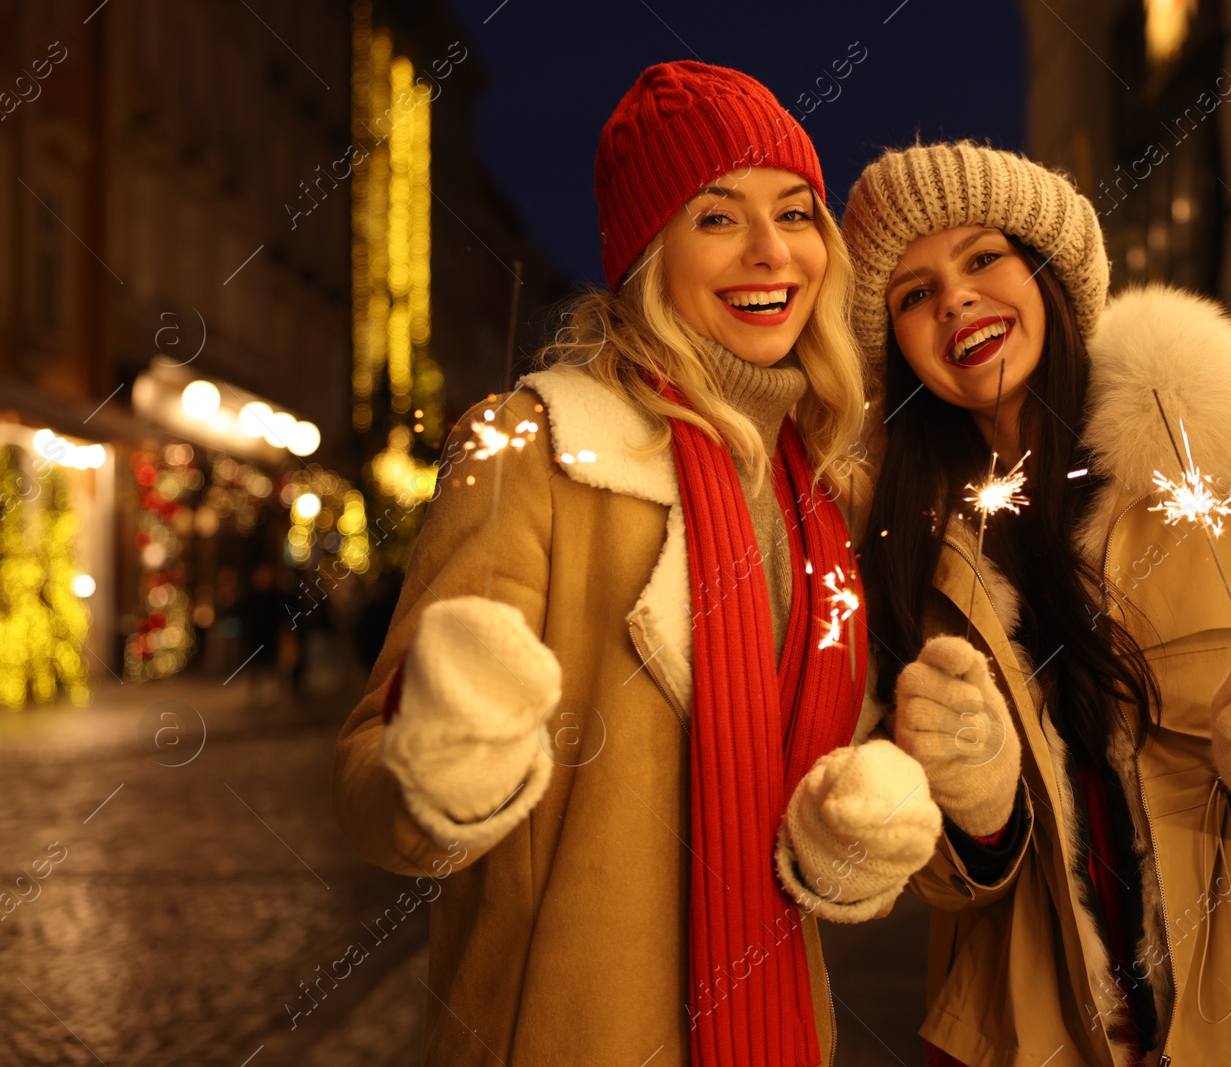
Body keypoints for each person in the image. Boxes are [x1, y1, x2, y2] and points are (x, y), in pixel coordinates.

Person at [333, 62, 940, 1067]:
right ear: (648, 252)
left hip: (776, 1028)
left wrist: (858, 826)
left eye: (794, 213)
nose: (768, 251)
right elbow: (372, 787)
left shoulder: (830, 495)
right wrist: (449, 751)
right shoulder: (536, 446)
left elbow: (823, 773)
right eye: (715, 217)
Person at [842, 141, 1231, 1067]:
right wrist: (977, 816)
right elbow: (912, 861)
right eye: (912, 293)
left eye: (983, 257)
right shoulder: (902, 550)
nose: (954, 299)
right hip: (1027, 1040)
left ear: (1049, 270)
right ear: (898, 347)